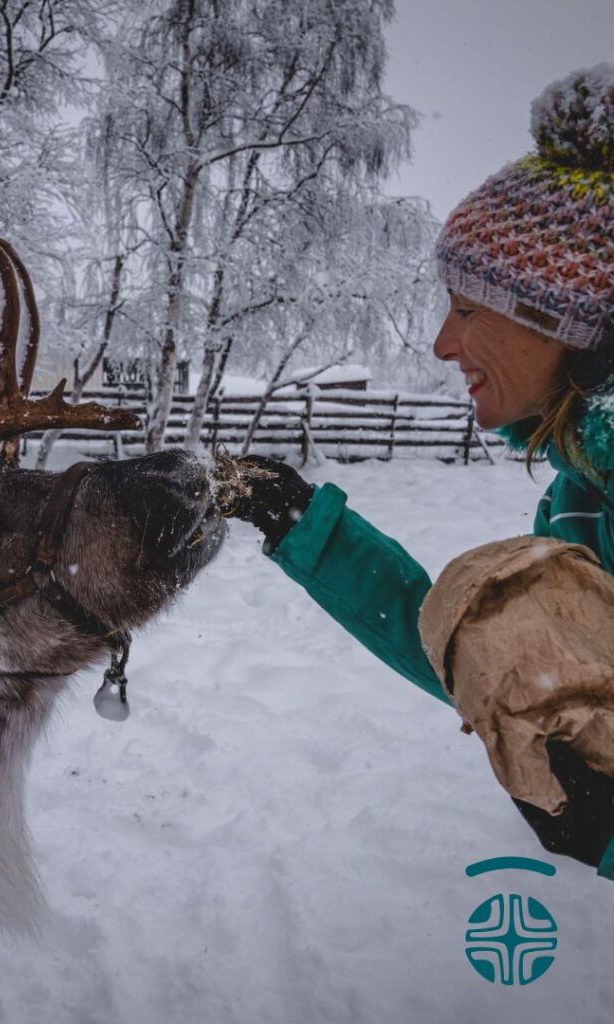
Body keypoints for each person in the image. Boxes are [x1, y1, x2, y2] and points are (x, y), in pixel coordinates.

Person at [231, 64, 614, 876]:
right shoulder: (584, 503)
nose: (442, 343)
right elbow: (491, 660)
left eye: (468, 308)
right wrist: (312, 533)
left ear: (563, 323)